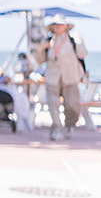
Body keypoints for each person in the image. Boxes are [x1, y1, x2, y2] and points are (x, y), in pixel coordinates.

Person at [34, 12, 88, 141]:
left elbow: (83, 54)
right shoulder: (48, 42)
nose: (57, 27)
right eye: (55, 25)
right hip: (52, 78)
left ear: (65, 26)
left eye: (60, 25)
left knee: (73, 105)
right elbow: (39, 60)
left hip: (70, 77)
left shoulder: (73, 40)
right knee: (53, 104)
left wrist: (80, 42)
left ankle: (69, 125)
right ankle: (56, 127)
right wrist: (40, 49)